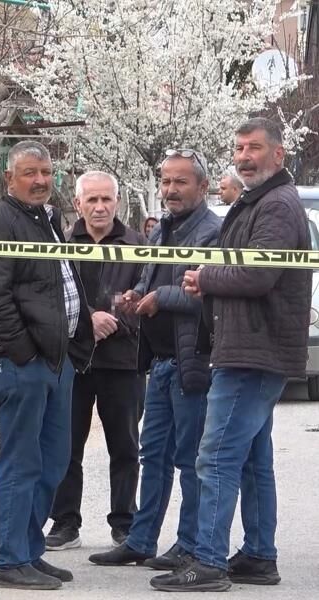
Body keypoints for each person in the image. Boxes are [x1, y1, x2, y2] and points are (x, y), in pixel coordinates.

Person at [153, 118, 309, 591]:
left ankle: (208, 560)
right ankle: (259, 555)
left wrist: (205, 278)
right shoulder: (257, 200)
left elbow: (259, 273)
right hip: (248, 347)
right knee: (252, 461)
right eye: (239, 148)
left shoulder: (276, 205)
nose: (244, 157)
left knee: (216, 456)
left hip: (252, 351)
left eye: (254, 148)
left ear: (278, 154)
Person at [0, 140, 94, 590]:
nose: (40, 180)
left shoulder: (49, 219)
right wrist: (24, 352)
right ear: (10, 178)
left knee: (52, 462)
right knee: (21, 463)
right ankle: (9, 560)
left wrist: (67, 351)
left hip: (56, 362)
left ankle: (28, 551)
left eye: (46, 172)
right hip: (22, 363)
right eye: (30, 173)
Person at [89, 149, 220, 570]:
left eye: (180, 182)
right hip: (159, 361)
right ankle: (141, 539)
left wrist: (160, 297)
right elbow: (148, 279)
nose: (170, 190)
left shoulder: (212, 232)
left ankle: (190, 543)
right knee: (153, 456)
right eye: (165, 181)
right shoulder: (161, 230)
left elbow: (210, 294)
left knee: (190, 460)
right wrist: (137, 294)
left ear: (203, 186)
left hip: (191, 361)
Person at [45, 171, 144, 551]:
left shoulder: (138, 244)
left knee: (125, 446)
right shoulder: (63, 243)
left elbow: (146, 293)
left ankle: (125, 522)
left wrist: (114, 318)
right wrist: (88, 319)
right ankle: (65, 522)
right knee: (66, 445)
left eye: (106, 199)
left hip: (124, 361)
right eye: (92, 200)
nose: (100, 207)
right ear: (78, 203)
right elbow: (52, 294)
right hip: (75, 360)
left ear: (117, 202)